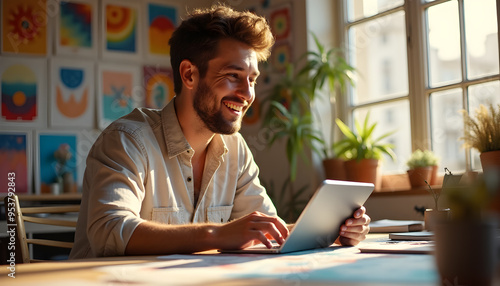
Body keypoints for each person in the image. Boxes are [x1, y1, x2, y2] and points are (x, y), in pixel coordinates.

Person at [69, 4, 370, 259]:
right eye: (233, 76)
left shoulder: (234, 148)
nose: (247, 93)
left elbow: (267, 228)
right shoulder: (127, 140)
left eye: (252, 79)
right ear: (189, 74)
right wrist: (217, 234)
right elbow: (109, 232)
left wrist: (333, 231)